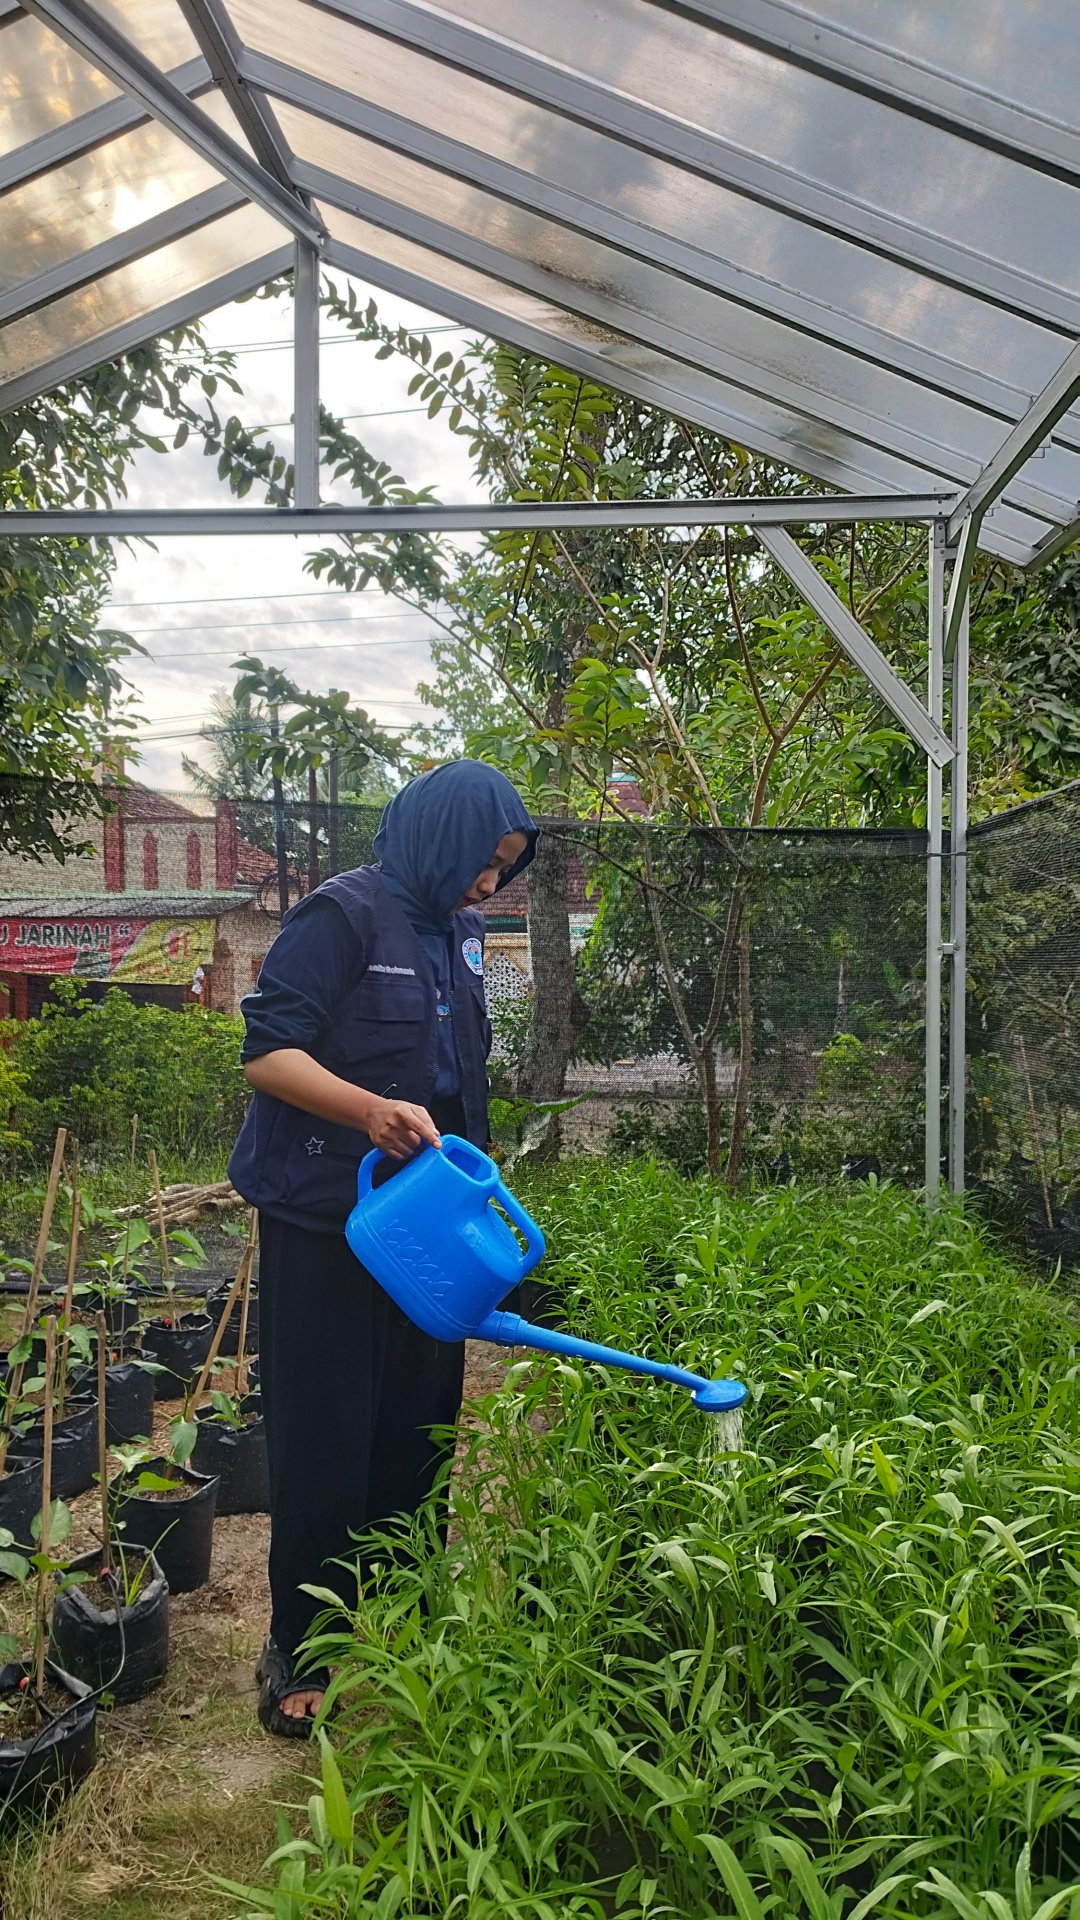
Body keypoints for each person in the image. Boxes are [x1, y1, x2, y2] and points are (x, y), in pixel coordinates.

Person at [228, 760, 536, 1735]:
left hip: (421, 1230)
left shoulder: (464, 934)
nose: (489, 883)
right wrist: (370, 1113)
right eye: (481, 862)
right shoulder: (342, 916)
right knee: (328, 1435)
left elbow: (457, 1081)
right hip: (324, 1220)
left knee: (419, 1424)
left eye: (504, 869)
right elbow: (267, 1051)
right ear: (440, 838)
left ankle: (402, 1619)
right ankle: (304, 1649)